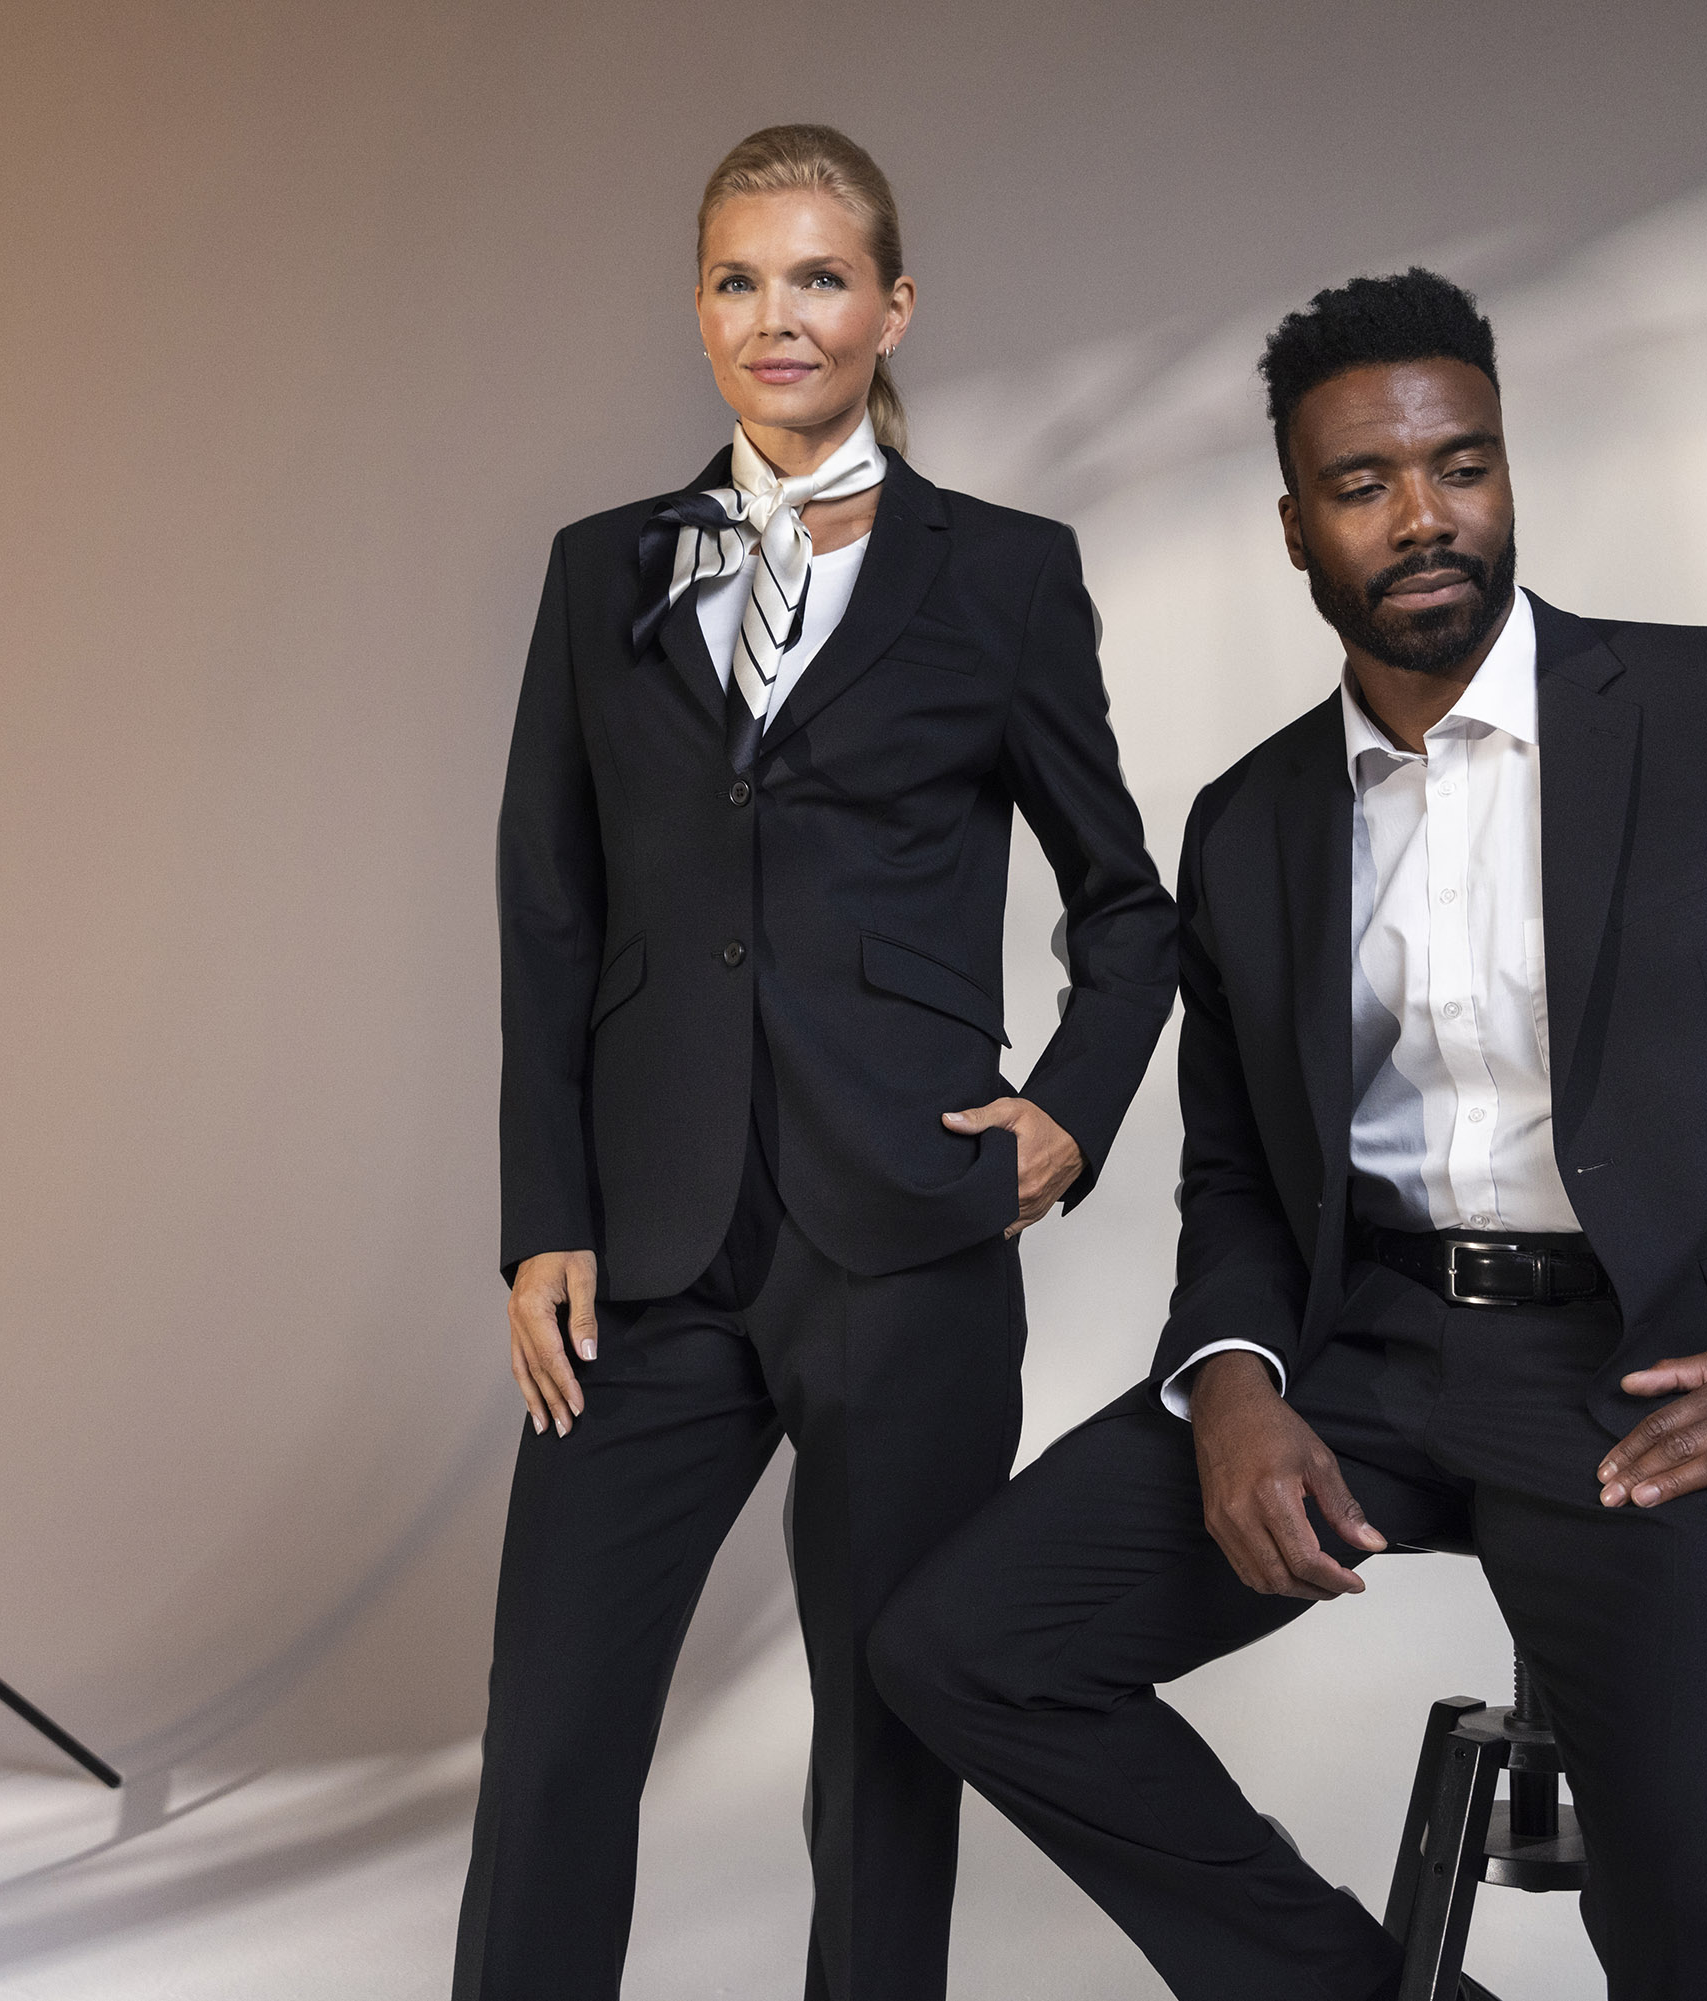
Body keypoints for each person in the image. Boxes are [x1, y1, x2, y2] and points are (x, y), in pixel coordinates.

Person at [870, 269, 1707, 2000]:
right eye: (1363, 484)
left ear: (1506, 471)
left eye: (1462, 465)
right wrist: (1231, 1380)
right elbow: (1241, 1167)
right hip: (1369, 1362)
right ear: (1296, 527)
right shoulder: (1252, 820)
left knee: (1703, 1897)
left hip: (1661, 1382)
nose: (1424, 516)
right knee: (968, 1647)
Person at [460, 124, 1177, 2001]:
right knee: (552, 1732)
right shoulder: (601, 570)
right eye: (738, 278)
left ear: (892, 308)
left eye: (818, 277)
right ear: (700, 306)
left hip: (907, 1231)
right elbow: (547, 916)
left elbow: (1128, 903)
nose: (776, 316)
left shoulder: (1004, 575)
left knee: (883, 1748)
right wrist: (543, 1216)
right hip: (649, 1242)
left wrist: (1070, 1115)